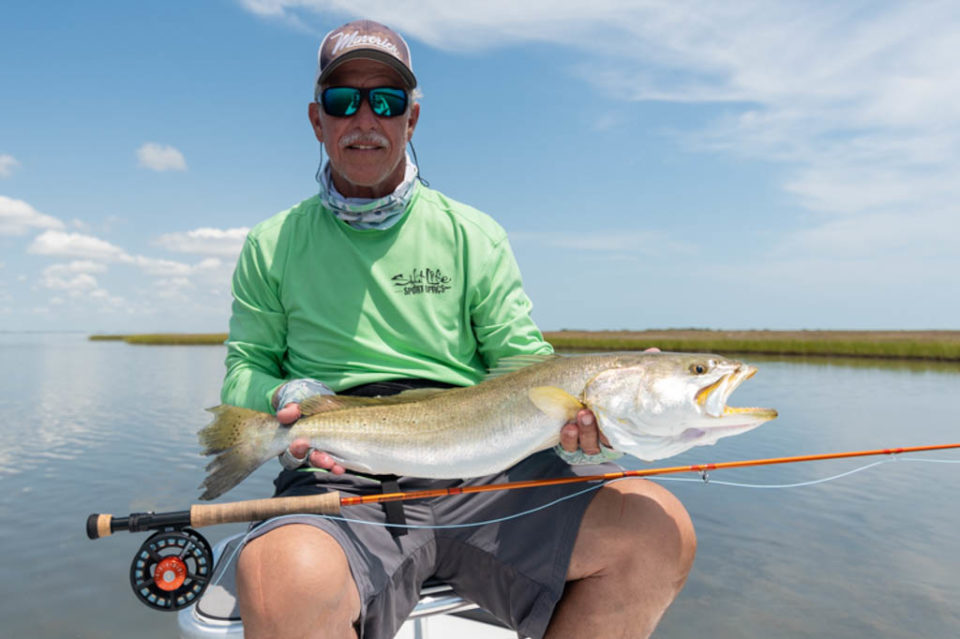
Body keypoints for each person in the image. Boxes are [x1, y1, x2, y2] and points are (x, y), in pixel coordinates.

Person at [221, 19, 695, 639]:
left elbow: (525, 364)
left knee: (660, 532)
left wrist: (598, 421)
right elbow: (243, 371)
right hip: (343, 475)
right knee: (279, 575)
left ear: (410, 120)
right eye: (345, 101)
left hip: (487, 472)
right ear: (318, 121)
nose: (366, 119)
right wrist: (279, 398)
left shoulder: (473, 233)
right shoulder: (272, 243)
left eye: (387, 101)